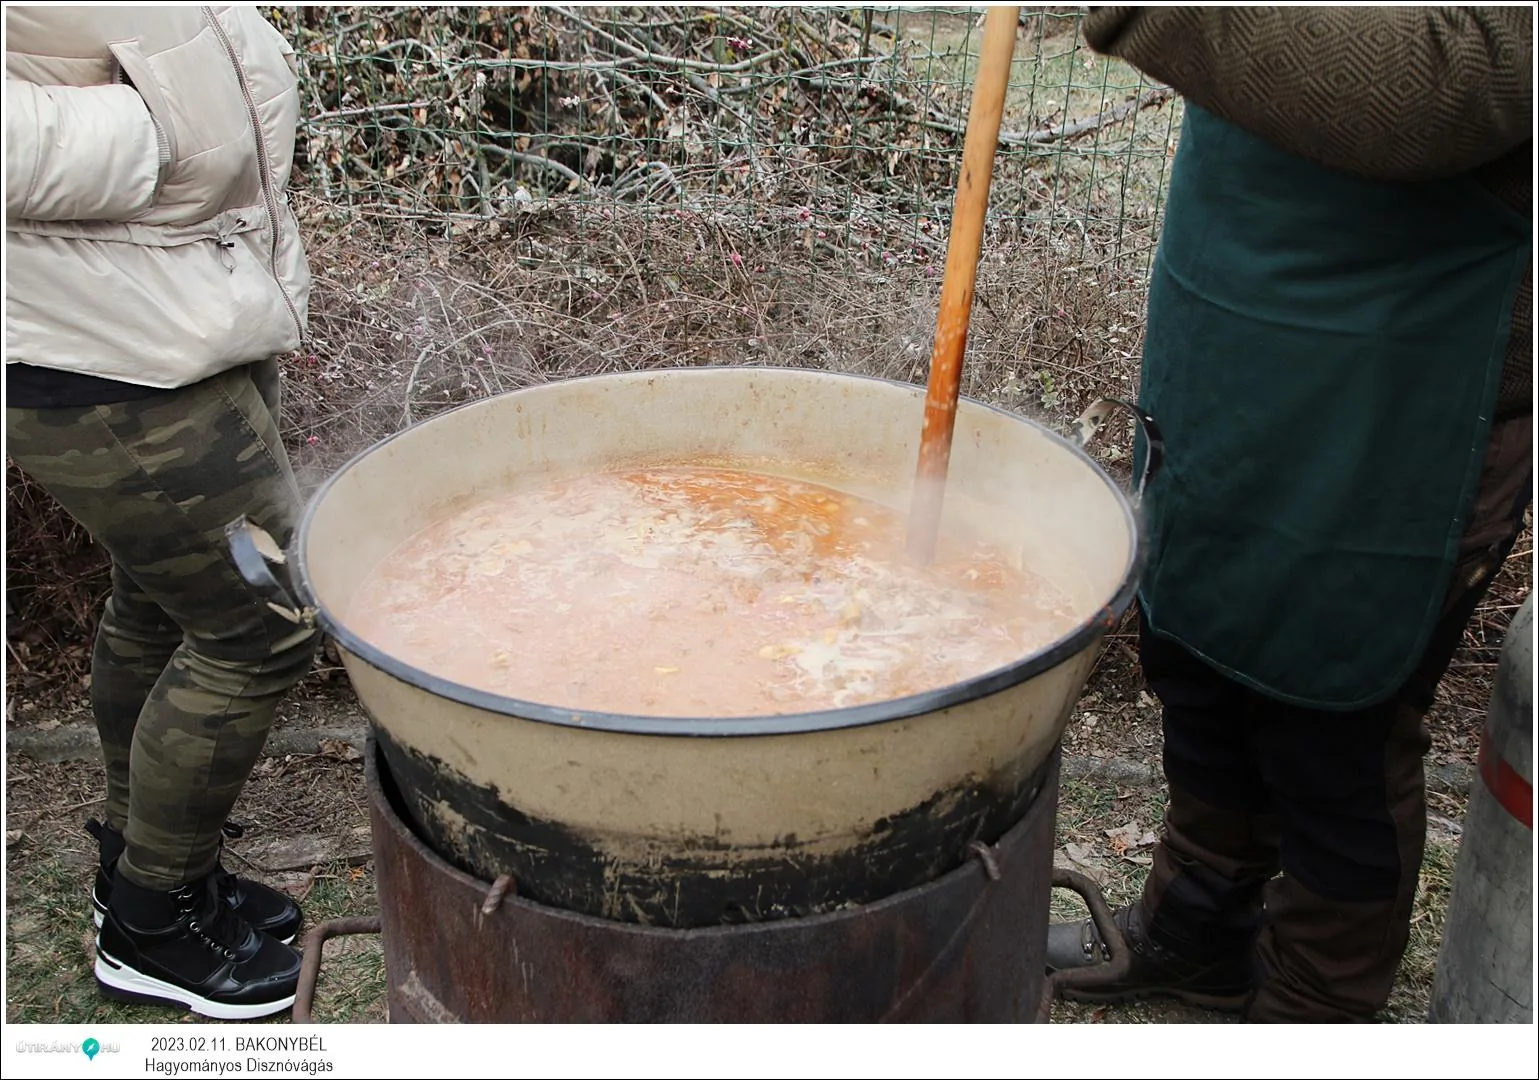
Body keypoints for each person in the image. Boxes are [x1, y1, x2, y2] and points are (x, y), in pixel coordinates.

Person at [1045, 7, 1533, 1022]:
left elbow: (1448, 80)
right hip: (1235, 310)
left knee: (1335, 719)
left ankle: (1318, 1007)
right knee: (1198, 648)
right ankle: (1199, 935)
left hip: (1406, 370)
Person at [5, 6, 319, 1020]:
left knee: (168, 607)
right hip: (93, 348)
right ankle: (153, 927)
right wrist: (163, 135)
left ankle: (143, 865)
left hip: (176, 309)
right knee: (261, 624)